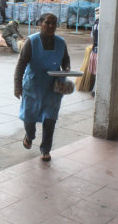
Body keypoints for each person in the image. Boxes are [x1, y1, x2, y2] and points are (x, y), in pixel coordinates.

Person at [14, 13, 70, 162]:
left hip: (53, 88)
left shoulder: (61, 42)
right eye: (47, 22)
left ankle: (46, 149)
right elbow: (21, 64)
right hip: (33, 85)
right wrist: (17, 86)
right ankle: (29, 135)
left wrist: (66, 71)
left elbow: (66, 62)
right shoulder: (31, 42)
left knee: (50, 119)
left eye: (54, 23)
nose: (51, 26)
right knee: (29, 118)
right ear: (40, 23)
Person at [89, 7, 100, 96]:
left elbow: (92, 37)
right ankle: (95, 90)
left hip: (95, 50)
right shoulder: (102, 24)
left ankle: (94, 89)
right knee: (100, 72)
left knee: (97, 72)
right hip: (100, 51)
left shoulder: (94, 24)